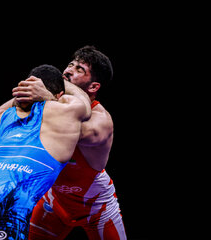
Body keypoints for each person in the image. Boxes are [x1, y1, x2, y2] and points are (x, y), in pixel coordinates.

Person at [0, 64, 91, 240]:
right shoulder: (62, 112)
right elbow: (84, 104)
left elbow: (1, 110)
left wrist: (23, 92)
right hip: (5, 207)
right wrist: (63, 83)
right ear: (59, 95)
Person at [12, 46, 127, 239]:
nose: (67, 71)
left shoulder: (101, 120)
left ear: (93, 87)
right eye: (70, 65)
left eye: (79, 69)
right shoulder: (52, 105)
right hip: (54, 201)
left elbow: (66, 128)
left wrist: (49, 92)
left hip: (97, 208)